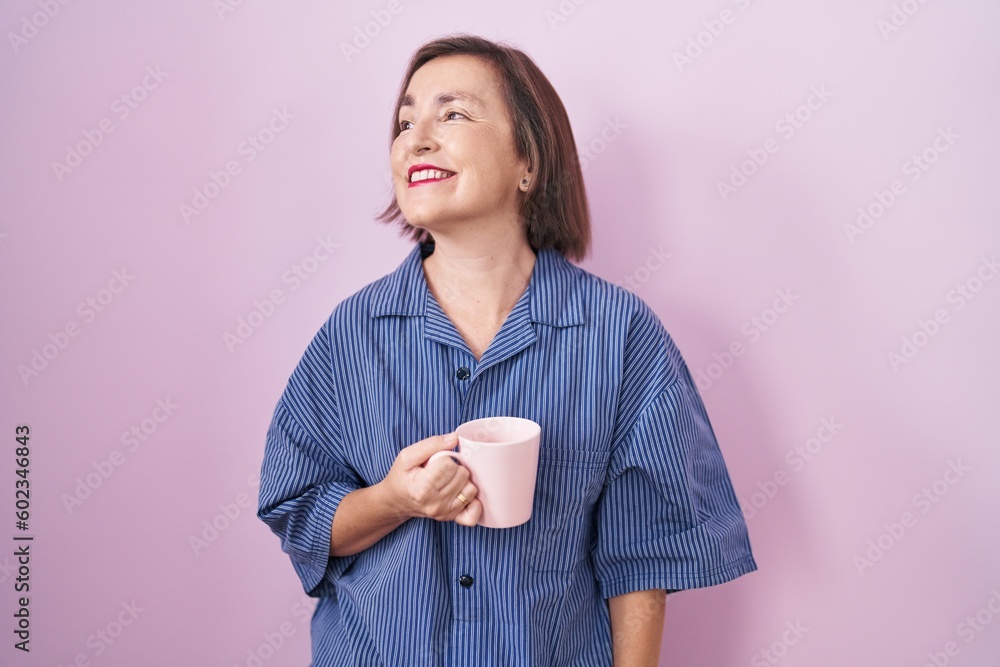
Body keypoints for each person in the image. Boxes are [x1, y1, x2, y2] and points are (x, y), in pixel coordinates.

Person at [257, 33, 757, 667]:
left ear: (530, 162)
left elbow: (645, 554)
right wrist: (396, 499)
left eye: (453, 113)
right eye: (405, 120)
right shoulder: (352, 334)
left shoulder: (618, 334)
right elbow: (300, 515)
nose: (417, 137)